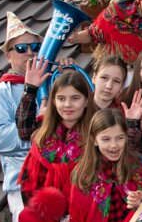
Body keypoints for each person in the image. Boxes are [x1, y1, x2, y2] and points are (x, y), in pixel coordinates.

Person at [0, 12, 44, 222]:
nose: (29, 53)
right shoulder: (0, 93)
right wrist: (39, 128)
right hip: (22, 184)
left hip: (58, 182)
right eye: (21, 48)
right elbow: (0, 140)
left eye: (35, 47)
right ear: (8, 55)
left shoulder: (53, 81)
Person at [18, 68, 96, 203]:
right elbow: (29, 184)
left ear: (86, 101)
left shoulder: (97, 136)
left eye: (75, 98)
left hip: (85, 210)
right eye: (61, 98)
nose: (67, 105)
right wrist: (30, 90)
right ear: (53, 101)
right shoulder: (42, 136)